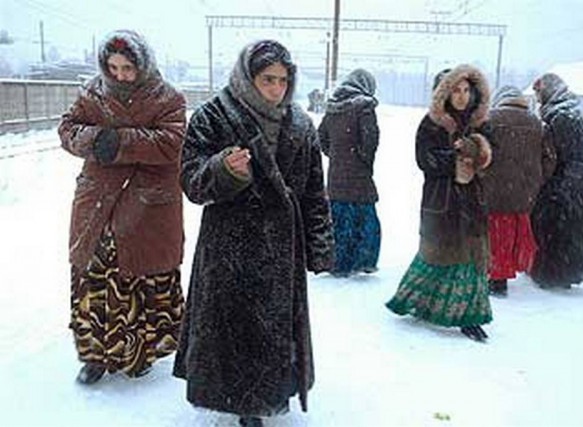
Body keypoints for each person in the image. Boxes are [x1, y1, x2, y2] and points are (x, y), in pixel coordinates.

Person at [172, 40, 335, 427]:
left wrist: (320, 244)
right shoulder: (214, 116)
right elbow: (191, 182)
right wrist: (223, 171)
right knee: (235, 332)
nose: (276, 88)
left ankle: (264, 396)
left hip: (281, 250)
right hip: (231, 247)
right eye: (267, 79)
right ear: (248, 77)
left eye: (283, 80)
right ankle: (242, 401)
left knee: (272, 332)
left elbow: (315, 191)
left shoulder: (300, 124)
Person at [58, 30, 186, 384]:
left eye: (127, 68)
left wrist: (120, 143)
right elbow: (67, 129)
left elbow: (173, 143)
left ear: (142, 64)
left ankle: (140, 353)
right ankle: (94, 355)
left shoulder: (169, 98)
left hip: (148, 205)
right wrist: (96, 139)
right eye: (113, 67)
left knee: (141, 277)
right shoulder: (91, 92)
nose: (119, 75)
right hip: (97, 201)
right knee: (94, 279)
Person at [385, 64, 493, 342]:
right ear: (443, 93)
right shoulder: (431, 124)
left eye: (467, 90)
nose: (461, 96)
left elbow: (492, 157)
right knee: (437, 255)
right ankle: (417, 302)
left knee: (471, 258)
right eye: (455, 90)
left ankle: (470, 317)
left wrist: (479, 151)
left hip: (472, 202)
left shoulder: (480, 123)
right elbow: (425, 159)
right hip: (442, 199)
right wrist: (454, 159)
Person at [530, 73, 583, 288]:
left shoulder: (560, 114)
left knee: (557, 226)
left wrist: (553, 176)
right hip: (577, 176)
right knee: (572, 227)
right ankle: (568, 273)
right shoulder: (567, 110)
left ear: (548, 90)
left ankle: (555, 275)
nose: (537, 98)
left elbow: (563, 150)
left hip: (567, 176)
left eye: (539, 92)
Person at [481, 85, 556, 296]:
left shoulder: (489, 119)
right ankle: (514, 267)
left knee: (495, 234)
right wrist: (537, 179)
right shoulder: (538, 124)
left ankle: (497, 279)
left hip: (493, 189)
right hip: (524, 192)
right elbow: (550, 159)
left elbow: (480, 152)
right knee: (514, 234)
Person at [318, 68, 381, 277]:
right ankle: (363, 260)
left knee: (339, 219)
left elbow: (322, 139)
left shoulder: (333, 108)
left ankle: (338, 262)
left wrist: (337, 156)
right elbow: (370, 141)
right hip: (359, 176)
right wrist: (362, 160)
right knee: (364, 219)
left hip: (336, 175)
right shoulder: (365, 107)